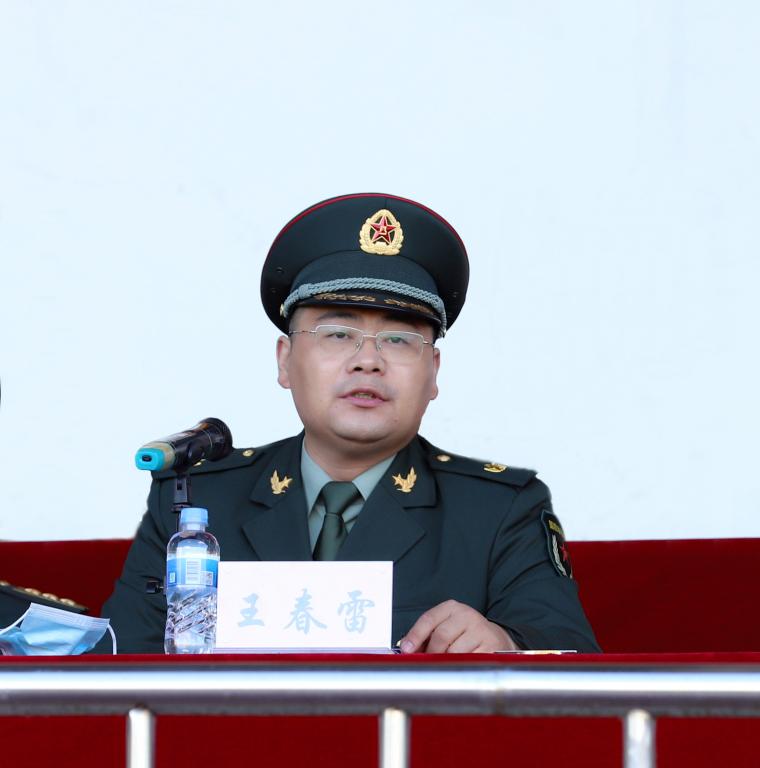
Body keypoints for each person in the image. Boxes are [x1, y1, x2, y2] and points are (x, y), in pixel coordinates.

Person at [100, 193, 600, 654]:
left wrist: (507, 646)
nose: (368, 361)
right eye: (338, 334)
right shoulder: (196, 499)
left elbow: (575, 663)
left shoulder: (499, 510)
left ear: (433, 373)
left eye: (399, 340)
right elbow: (116, 665)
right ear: (284, 361)